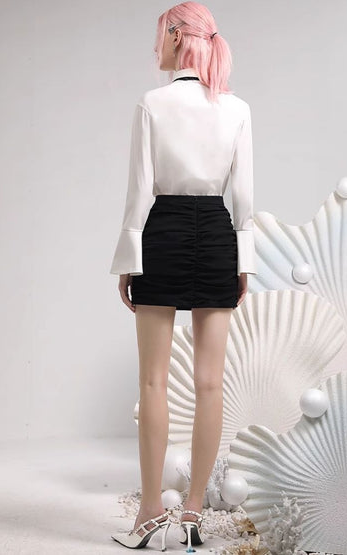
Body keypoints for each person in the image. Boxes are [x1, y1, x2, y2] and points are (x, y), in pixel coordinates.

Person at [109, 1, 257, 551]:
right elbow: (244, 197)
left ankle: (150, 514)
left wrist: (128, 258)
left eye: (159, 37)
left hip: (163, 231)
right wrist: (243, 261)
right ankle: (192, 512)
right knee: (210, 382)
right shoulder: (237, 109)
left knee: (152, 382)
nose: (156, 48)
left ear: (175, 35)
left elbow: (139, 190)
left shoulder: (152, 103)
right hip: (218, 233)